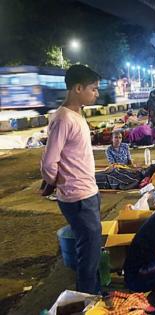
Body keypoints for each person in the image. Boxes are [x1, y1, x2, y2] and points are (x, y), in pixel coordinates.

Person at [41, 65, 102, 294]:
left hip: (88, 192)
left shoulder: (77, 115)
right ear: (78, 88)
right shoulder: (64, 118)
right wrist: (60, 183)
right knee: (88, 253)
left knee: (92, 249)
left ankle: (93, 293)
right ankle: (86, 298)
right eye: (93, 89)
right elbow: (49, 163)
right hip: (78, 197)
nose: (96, 93)